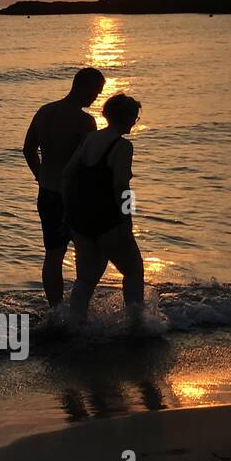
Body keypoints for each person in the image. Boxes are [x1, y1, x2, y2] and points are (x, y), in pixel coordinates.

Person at [22, 68, 105, 306]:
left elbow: (28, 149)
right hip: (75, 197)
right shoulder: (85, 121)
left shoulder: (45, 111)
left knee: (54, 255)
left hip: (47, 193)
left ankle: (56, 310)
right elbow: (90, 162)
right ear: (84, 87)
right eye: (96, 91)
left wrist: (40, 176)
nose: (96, 97)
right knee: (91, 253)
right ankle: (80, 307)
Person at [61, 92, 145, 328]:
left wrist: (68, 212)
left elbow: (67, 175)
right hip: (108, 219)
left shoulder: (89, 139)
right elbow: (121, 185)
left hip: (81, 219)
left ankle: (73, 325)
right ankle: (136, 325)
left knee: (86, 278)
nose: (134, 122)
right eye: (134, 118)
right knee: (133, 271)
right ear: (127, 117)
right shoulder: (122, 146)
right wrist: (126, 216)